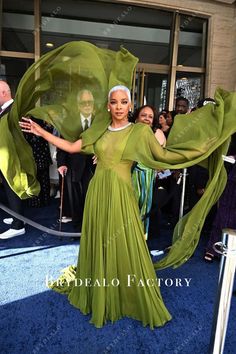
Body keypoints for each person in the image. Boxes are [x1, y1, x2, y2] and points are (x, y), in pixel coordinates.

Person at [20, 85, 172, 329]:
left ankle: (124, 290)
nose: (119, 107)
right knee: (100, 238)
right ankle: (98, 285)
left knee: (125, 241)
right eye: (114, 102)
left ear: (130, 105)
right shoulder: (99, 130)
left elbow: (164, 158)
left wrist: (201, 149)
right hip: (97, 192)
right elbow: (71, 147)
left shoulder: (140, 132)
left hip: (122, 194)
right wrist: (41, 132)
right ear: (108, 106)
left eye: (124, 102)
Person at [56, 89, 95, 230]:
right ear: (78, 105)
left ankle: (90, 228)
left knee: (91, 199)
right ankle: (78, 228)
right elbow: (61, 144)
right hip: (73, 166)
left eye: (89, 102)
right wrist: (61, 164)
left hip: (94, 167)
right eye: (83, 102)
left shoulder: (100, 121)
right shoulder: (69, 122)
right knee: (75, 199)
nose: (87, 105)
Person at [131, 105, 166, 238]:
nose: (147, 118)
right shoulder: (128, 131)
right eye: (143, 115)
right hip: (127, 176)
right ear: (136, 118)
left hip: (146, 177)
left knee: (144, 208)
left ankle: (140, 240)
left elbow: (161, 157)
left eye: (150, 116)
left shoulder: (157, 134)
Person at [0, 81, 25, 239]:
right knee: (10, 189)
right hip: (6, 158)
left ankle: (18, 226)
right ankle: (18, 217)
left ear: (3, 93)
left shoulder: (13, 110)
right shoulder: (5, 110)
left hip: (12, 158)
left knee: (12, 188)